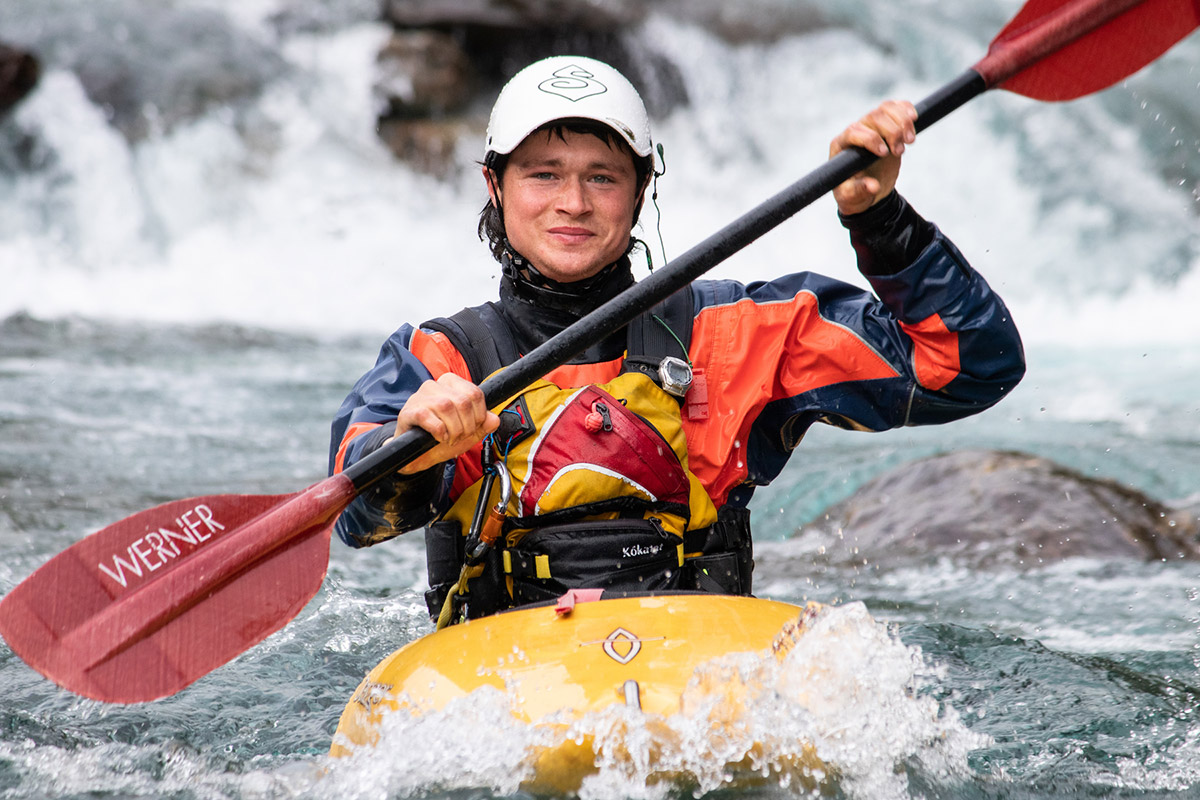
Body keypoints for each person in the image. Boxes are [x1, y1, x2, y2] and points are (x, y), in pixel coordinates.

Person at [329, 55, 1025, 624]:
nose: (573, 202)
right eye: (544, 174)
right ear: (495, 185)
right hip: (500, 687)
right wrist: (411, 451)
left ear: (639, 191)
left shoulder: (741, 333)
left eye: (602, 178)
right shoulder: (439, 363)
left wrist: (880, 219)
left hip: (696, 684)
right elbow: (353, 515)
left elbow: (970, 364)